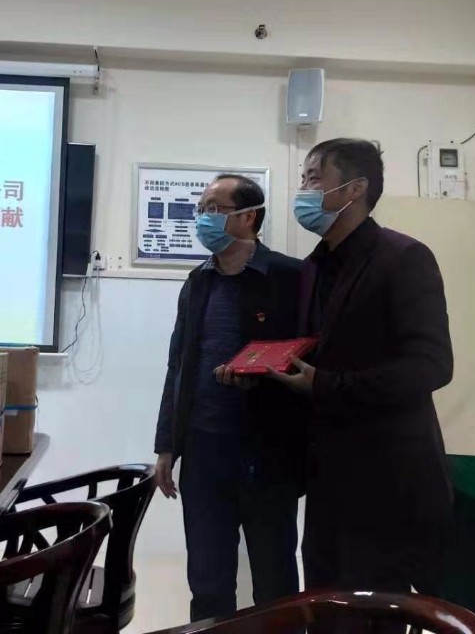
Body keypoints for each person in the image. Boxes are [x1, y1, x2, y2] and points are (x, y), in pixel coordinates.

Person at [269, 139, 453, 633]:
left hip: (385, 483)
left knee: (371, 620)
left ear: (355, 189)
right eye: (303, 178)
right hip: (325, 480)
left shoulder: (404, 257)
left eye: (313, 178)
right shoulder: (314, 266)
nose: (303, 190)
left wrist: (328, 385)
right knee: (324, 611)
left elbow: (432, 365)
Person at [154, 174, 306, 622]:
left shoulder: (290, 277)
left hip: (266, 450)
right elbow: (178, 366)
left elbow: (308, 357)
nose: (203, 217)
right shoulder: (197, 281)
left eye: (214, 209)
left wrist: (260, 377)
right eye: (201, 209)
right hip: (204, 450)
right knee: (207, 579)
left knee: (274, 579)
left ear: (248, 217)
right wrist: (167, 446)